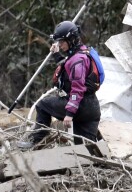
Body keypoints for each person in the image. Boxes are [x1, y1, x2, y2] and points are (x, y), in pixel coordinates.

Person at [20, 20, 101, 148]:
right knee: (86, 151)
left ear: (72, 40)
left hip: (80, 106)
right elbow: (67, 69)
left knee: (42, 105)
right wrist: (56, 54)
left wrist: (69, 114)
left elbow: (77, 89)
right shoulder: (82, 52)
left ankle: (36, 141)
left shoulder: (77, 60)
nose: (60, 45)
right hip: (92, 109)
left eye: (62, 42)